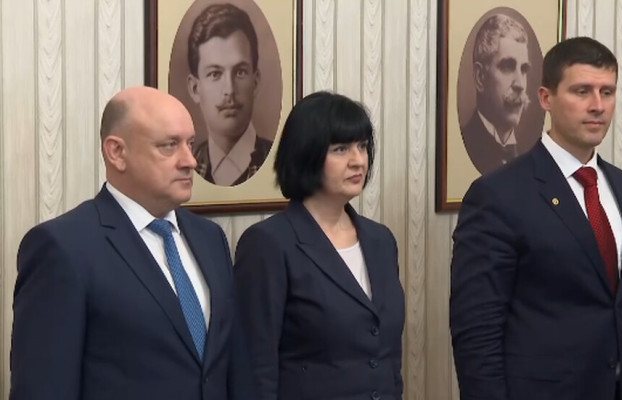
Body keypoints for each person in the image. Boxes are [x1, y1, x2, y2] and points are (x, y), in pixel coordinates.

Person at [10, 86, 256, 400]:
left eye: (191, 143)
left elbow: (234, 365)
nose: (190, 161)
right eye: (169, 145)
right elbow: (44, 386)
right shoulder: (63, 248)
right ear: (117, 152)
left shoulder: (209, 237)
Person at [450, 37, 622, 400]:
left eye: (607, 92)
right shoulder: (499, 195)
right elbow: (477, 331)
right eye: (582, 91)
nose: (598, 106)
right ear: (545, 98)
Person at [234, 91, 405, 400]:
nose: (358, 160)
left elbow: (387, 356)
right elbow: (256, 367)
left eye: (362, 146)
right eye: (340, 149)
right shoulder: (269, 244)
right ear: (306, 154)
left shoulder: (380, 240)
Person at [187, 3, 271, 186]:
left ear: (255, 82)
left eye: (240, 72)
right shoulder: (186, 165)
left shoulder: (280, 161)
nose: (230, 90)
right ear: (194, 89)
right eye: (215, 74)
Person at [461, 13, 532, 174]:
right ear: (480, 77)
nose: (520, 84)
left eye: (524, 69)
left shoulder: (531, 156)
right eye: (507, 67)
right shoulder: (466, 143)